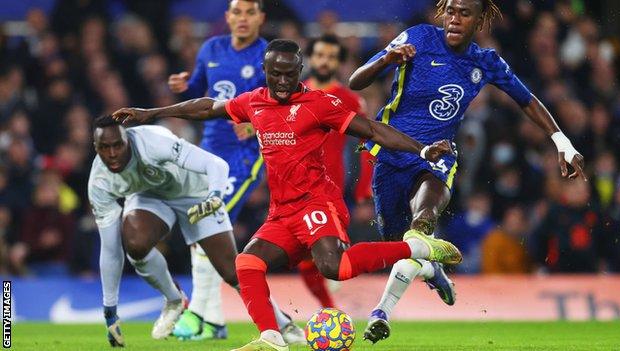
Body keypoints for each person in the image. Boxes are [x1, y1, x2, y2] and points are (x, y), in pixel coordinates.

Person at [113, 39, 462, 351]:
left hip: (317, 201)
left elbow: (371, 129)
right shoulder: (255, 102)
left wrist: (422, 150)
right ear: (265, 71)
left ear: (300, 72)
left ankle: (418, 248)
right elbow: (208, 107)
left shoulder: (318, 104)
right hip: (281, 212)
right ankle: (272, 337)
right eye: (275, 74)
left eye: (289, 74)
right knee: (247, 264)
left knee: (334, 268)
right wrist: (151, 113)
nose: (282, 82)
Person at [348, 0, 586, 343]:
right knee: (398, 247)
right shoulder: (418, 37)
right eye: (451, 11)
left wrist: (562, 142)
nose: (455, 20)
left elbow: (527, 100)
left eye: (465, 13)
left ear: (480, 20)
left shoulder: (485, 61)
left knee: (424, 220)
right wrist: (387, 59)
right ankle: (433, 268)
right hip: (392, 155)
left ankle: (380, 313)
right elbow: (356, 81)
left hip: (437, 157)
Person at [88, 115, 297, 347]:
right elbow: (110, 250)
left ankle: (284, 324)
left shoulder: (154, 144)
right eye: (104, 148)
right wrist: (110, 312)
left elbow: (216, 164)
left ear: (127, 139)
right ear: (95, 147)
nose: (113, 153)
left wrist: (214, 196)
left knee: (231, 271)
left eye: (118, 145)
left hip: (195, 194)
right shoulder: (99, 183)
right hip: (149, 197)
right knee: (135, 244)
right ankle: (174, 300)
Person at [167, 0, 297, 341]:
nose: (242, 18)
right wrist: (184, 85)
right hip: (209, 150)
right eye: (236, 12)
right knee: (202, 229)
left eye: (249, 12)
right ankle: (271, 322)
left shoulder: (268, 57)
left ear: (261, 18)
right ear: (227, 17)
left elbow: (285, 100)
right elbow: (200, 91)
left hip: (244, 155)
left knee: (208, 220)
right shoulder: (212, 48)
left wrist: (257, 124)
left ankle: (201, 315)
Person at [297, 34, 372, 308]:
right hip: (293, 187)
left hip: (329, 189)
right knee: (305, 257)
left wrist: (365, 189)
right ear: (310, 58)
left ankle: (330, 306)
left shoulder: (348, 100)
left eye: (331, 56)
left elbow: (368, 143)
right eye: (319, 55)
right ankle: (329, 308)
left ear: (339, 62)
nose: (324, 61)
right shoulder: (295, 93)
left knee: (325, 255)